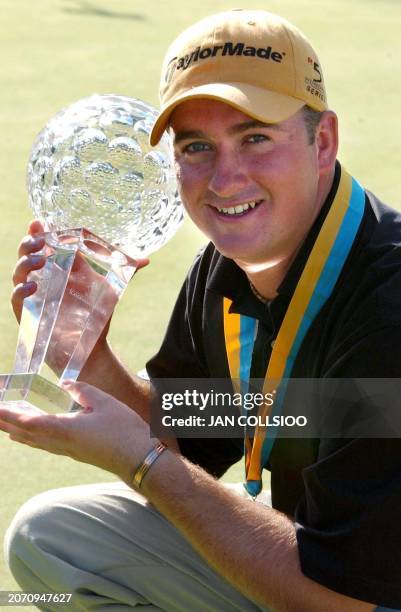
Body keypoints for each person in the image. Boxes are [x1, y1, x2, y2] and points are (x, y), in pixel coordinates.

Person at [1, 8, 401, 611]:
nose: (224, 178)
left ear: (323, 142)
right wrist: (88, 355)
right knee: (55, 538)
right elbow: (191, 435)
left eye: (255, 137)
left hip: (361, 595)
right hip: (337, 570)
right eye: (197, 147)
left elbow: (345, 600)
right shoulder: (230, 267)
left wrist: (141, 462)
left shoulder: (390, 303)